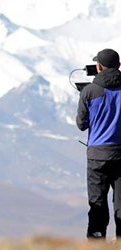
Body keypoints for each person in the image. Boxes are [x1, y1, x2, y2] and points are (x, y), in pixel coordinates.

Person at [76, 48, 121, 239]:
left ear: (99, 67)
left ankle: (96, 242)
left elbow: (81, 124)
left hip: (97, 156)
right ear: (118, 66)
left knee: (97, 202)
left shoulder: (89, 91)